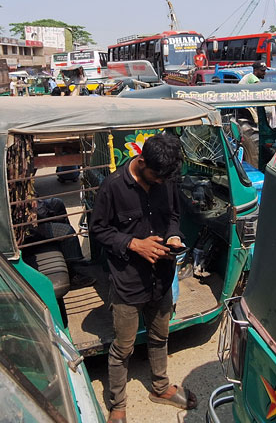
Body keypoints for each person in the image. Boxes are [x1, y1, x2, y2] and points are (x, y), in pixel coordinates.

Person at [90, 133, 197, 422]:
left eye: (165, 179)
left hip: (161, 278)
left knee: (160, 335)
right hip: (128, 281)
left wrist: (174, 235)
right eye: (156, 177)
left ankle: (160, 388)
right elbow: (98, 230)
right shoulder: (112, 187)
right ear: (141, 161)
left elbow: (174, 214)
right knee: (123, 346)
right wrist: (134, 244)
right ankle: (118, 405)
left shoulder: (166, 179)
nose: (161, 183)